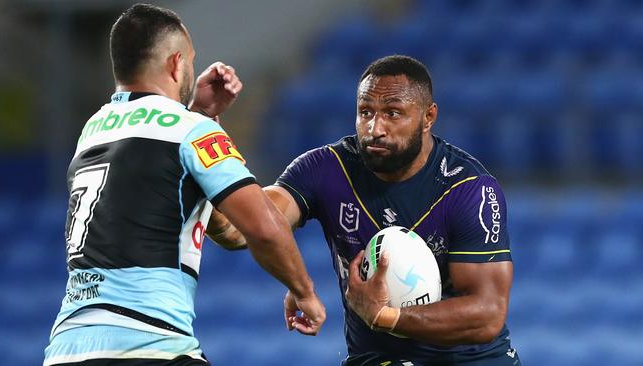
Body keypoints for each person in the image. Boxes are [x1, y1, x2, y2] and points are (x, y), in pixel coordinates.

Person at [44, 4, 325, 366]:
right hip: (148, 345)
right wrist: (304, 291)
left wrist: (200, 112)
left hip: (66, 349)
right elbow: (263, 229)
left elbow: (165, 196)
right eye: (191, 61)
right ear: (177, 63)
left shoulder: (93, 129)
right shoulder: (191, 132)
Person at [208, 55, 520, 365]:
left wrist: (385, 317)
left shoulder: (469, 189)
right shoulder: (325, 169)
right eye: (365, 112)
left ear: (428, 117)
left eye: (393, 113)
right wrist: (202, 131)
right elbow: (237, 228)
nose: (375, 128)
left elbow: (487, 315)